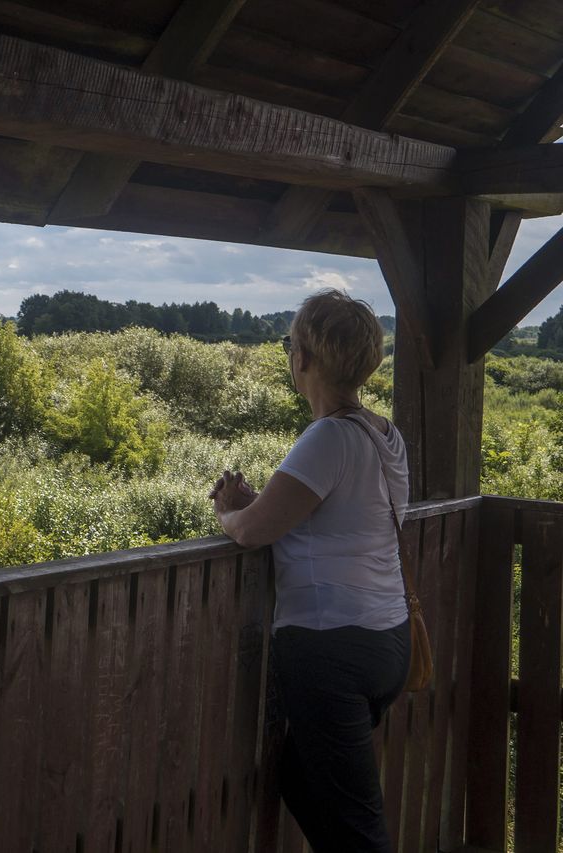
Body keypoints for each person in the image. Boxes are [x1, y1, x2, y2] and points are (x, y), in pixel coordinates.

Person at [210, 288, 410, 853]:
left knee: (359, 831)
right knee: (301, 776)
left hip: (331, 650)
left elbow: (252, 532)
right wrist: (258, 502)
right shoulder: (384, 434)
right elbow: (328, 517)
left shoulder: (327, 437)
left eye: (290, 345)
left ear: (303, 359)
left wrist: (229, 511)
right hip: (386, 641)